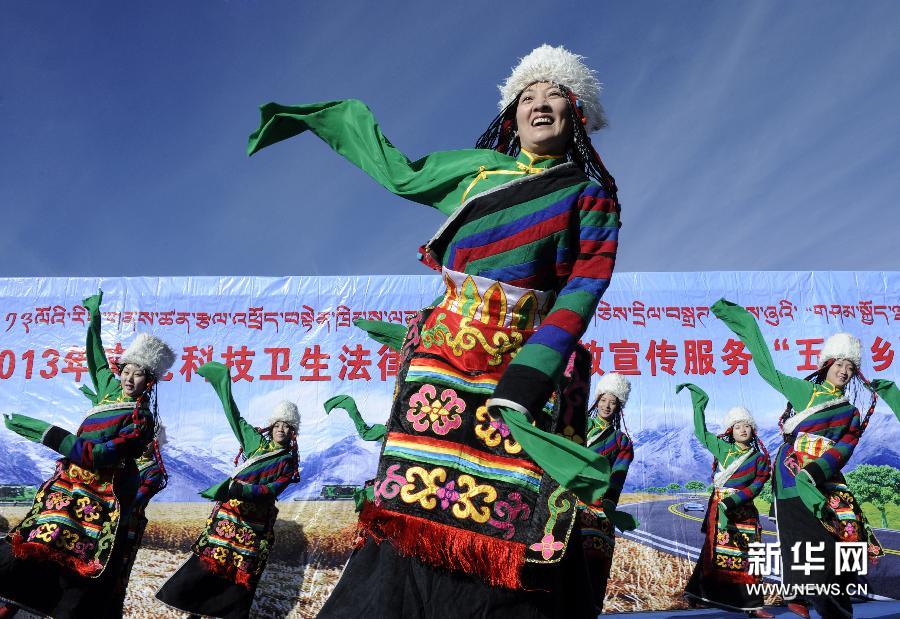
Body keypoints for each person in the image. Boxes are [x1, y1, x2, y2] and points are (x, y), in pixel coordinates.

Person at [247, 44, 620, 618]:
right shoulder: (477, 170)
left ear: (579, 115)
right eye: (527, 95)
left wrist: (532, 376)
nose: (539, 104)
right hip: (440, 354)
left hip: (520, 365)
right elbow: (402, 174)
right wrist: (333, 120)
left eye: (554, 95)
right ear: (511, 114)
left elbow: (582, 288)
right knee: (409, 502)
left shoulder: (589, 195)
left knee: (505, 511)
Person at [711, 299, 900, 619]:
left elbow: (846, 446)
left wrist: (815, 470)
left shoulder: (850, 412)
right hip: (790, 479)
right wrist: (747, 327)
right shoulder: (804, 392)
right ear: (826, 363)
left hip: (824, 478)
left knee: (842, 544)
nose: (843, 370)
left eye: (850, 366)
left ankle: (827, 605)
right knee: (804, 548)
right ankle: (803, 595)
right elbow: (767, 369)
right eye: (839, 363)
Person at [0, 290, 175, 618]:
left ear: (148, 381)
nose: (128, 377)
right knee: (31, 550)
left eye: (137, 373)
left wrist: (49, 434)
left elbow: (99, 457)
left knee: (75, 572)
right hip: (66, 487)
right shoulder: (110, 391)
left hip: (98, 500)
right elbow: (95, 357)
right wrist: (93, 321)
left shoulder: (141, 420)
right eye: (126, 369)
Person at [155, 361, 300, 619]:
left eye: (287, 426)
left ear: (293, 433)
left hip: (254, 525)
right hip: (229, 517)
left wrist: (235, 489)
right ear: (271, 426)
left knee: (239, 573)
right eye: (278, 424)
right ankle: (193, 610)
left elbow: (269, 492)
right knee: (208, 564)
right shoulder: (254, 440)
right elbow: (233, 414)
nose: (281, 429)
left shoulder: (288, 464)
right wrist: (223, 384)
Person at [677, 383, 772, 618]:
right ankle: (699, 592)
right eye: (738, 425)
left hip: (744, 509)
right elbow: (700, 432)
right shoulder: (723, 448)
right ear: (730, 429)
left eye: (747, 425)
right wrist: (699, 403)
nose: (742, 429)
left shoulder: (759, 458)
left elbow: (758, 483)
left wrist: (737, 499)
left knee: (751, 556)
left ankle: (754, 605)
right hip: (721, 509)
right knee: (714, 552)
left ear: (753, 430)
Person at [580, 372, 636, 613]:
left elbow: (618, 476)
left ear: (619, 407)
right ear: (597, 399)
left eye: (613, 402)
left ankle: (588, 610)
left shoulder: (621, 442)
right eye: (604, 400)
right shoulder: (579, 425)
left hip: (599, 506)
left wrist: (610, 503)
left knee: (594, 561)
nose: (607, 405)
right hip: (569, 499)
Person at [105, 422, 168, 617]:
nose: (146, 443)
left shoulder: (154, 472)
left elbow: (134, 500)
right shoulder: (123, 459)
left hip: (128, 525)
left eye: (150, 440)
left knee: (117, 572)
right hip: (107, 519)